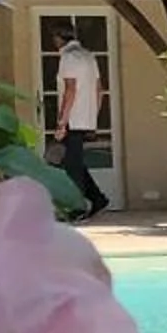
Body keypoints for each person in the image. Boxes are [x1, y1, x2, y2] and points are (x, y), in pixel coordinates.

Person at [53, 22, 107, 219]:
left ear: (59, 38)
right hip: (86, 117)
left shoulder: (68, 57)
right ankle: (97, 198)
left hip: (73, 118)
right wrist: (94, 117)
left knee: (71, 166)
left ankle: (77, 207)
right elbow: (99, 89)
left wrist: (61, 121)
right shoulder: (88, 56)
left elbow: (70, 90)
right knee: (74, 162)